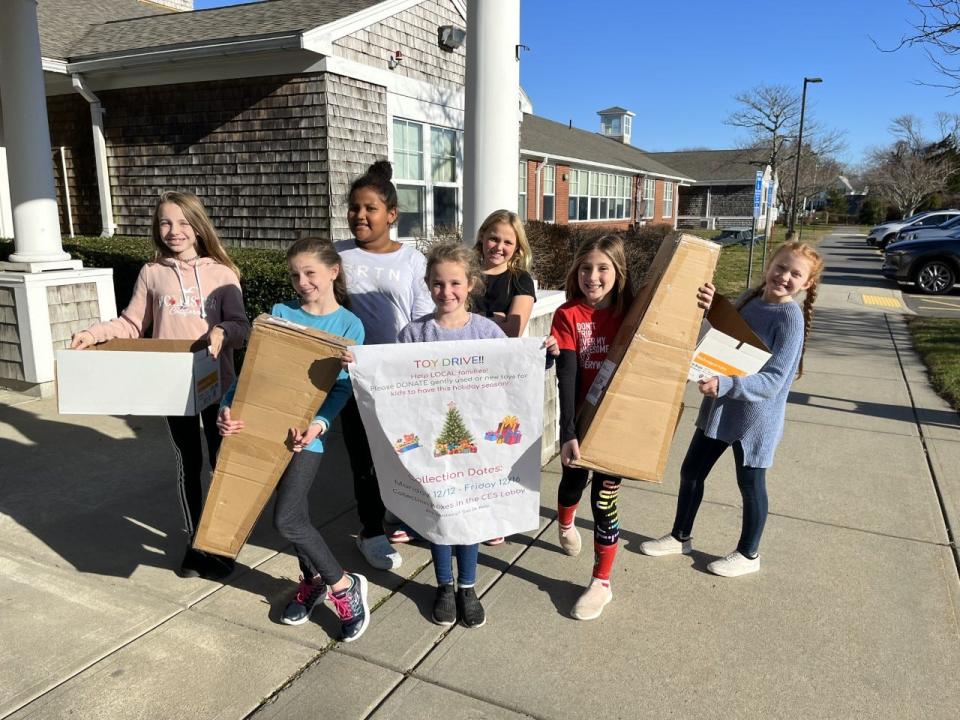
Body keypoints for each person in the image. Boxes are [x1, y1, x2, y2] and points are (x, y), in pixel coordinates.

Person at [70, 190, 249, 581]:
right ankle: (195, 542)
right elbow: (132, 324)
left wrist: (222, 330)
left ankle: (221, 542)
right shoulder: (152, 273)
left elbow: (241, 326)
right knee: (190, 462)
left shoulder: (222, 273)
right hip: (173, 387)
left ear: (199, 227)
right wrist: (94, 333)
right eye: (166, 222)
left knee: (222, 465)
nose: (174, 231)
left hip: (219, 387)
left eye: (184, 222)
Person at [550, 235, 714, 620]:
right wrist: (568, 431)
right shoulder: (568, 315)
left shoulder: (635, 311)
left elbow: (676, 330)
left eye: (603, 268)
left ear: (618, 272)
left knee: (605, 500)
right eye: (586, 268)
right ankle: (565, 519)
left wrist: (706, 305)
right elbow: (567, 376)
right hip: (581, 418)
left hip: (619, 423)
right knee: (572, 484)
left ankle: (601, 582)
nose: (593, 276)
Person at [217, 237, 369, 642]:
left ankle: (342, 586)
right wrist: (227, 409)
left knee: (286, 519)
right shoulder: (281, 314)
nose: (302, 282)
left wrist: (318, 424)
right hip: (263, 430)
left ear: (333, 272)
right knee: (293, 516)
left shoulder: (349, 326)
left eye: (310, 273)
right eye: (295, 275)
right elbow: (254, 372)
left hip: (306, 438)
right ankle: (314, 581)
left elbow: (341, 389)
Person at [641, 241, 824, 578]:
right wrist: (714, 306)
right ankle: (680, 536)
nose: (784, 277)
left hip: (754, 420)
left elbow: (773, 381)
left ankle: (748, 554)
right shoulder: (752, 298)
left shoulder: (790, 319)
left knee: (751, 486)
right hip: (721, 410)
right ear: (770, 265)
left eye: (795, 274)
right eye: (780, 267)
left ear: (807, 284)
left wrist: (726, 385)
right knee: (691, 472)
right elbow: (729, 336)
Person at [333, 161, 434, 572]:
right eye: (355, 208)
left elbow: (423, 317)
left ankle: (408, 517)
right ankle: (371, 531)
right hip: (351, 374)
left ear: (391, 214)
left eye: (370, 208)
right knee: (364, 457)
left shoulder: (412, 260)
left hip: (399, 375)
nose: (360, 215)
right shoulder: (335, 254)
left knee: (407, 452)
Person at [471, 209, 536, 339]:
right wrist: (497, 318)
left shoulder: (521, 280)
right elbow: (451, 322)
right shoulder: (464, 274)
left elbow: (512, 332)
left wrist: (472, 318)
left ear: (517, 246)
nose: (499, 247)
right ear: (482, 236)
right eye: (494, 239)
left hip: (501, 357)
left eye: (508, 242)